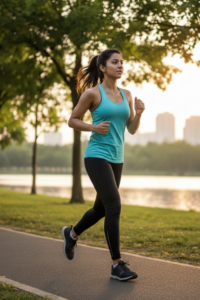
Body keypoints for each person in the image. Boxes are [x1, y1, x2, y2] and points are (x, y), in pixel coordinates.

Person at [61, 48, 145, 281]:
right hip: (96, 155)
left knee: (101, 209)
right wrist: (93, 127)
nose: (120, 66)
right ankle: (116, 265)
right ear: (102, 67)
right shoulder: (92, 94)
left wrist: (138, 114)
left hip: (117, 157)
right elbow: (72, 120)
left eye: (122, 62)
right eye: (115, 62)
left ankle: (72, 233)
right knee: (114, 206)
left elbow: (131, 129)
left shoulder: (127, 94)